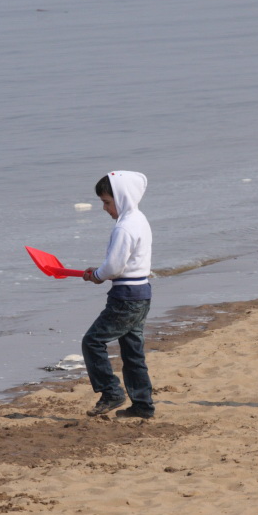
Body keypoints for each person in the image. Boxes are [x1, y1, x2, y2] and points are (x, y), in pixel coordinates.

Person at [81, 171, 155, 419]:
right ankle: (142, 406)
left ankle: (111, 391)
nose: (105, 208)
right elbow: (121, 264)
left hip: (125, 296)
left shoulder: (124, 227)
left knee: (92, 341)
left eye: (107, 202)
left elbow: (113, 268)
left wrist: (97, 275)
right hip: (142, 292)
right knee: (133, 352)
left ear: (121, 198)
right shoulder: (140, 219)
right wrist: (100, 272)